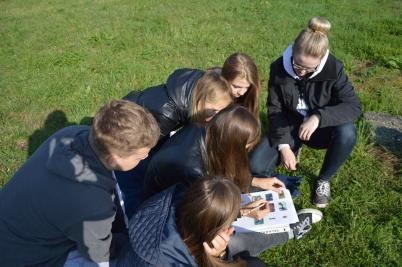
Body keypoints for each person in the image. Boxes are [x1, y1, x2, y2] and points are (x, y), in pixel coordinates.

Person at [0, 100, 160, 267]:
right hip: (21, 258)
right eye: (140, 157)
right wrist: (125, 245)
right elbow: (99, 254)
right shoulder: (93, 204)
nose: (145, 158)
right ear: (114, 159)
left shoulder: (72, 134)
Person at [267, 17, 361, 208]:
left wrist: (319, 116)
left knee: (347, 132)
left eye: (309, 68)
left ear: (321, 61)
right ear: (292, 51)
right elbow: (275, 109)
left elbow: (353, 106)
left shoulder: (334, 69)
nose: (301, 72)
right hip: (290, 126)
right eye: (297, 64)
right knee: (257, 164)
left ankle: (323, 180)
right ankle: (294, 147)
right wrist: (284, 146)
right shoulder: (278, 68)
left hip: (320, 130)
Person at [115, 178, 269, 267]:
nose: (229, 227)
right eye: (226, 223)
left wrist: (242, 212)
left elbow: (202, 215)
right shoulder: (170, 260)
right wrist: (216, 257)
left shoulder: (175, 200)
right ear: (208, 230)